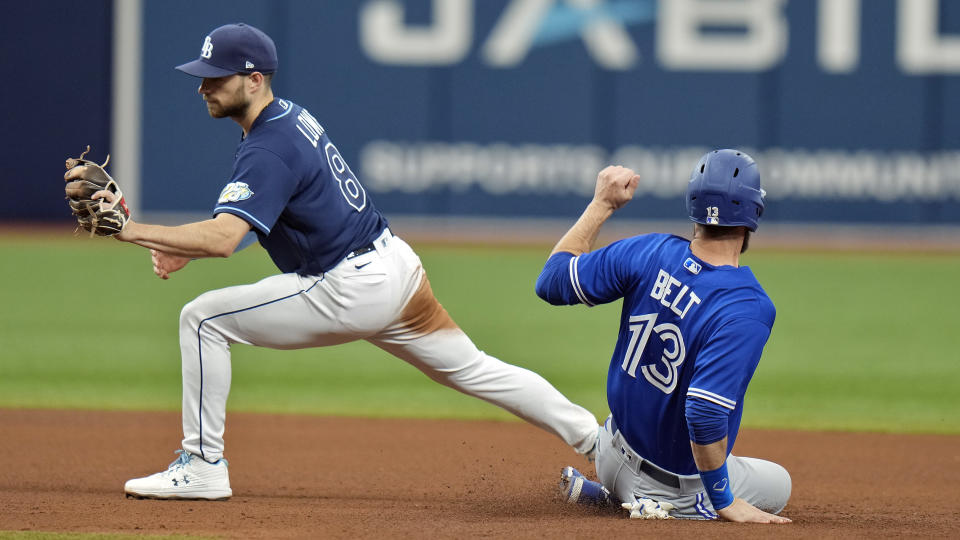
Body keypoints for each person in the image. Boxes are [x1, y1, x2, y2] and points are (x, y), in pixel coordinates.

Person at [109, 22, 599, 501]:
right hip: (394, 267)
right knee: (478, 370)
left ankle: (202, 466)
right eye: (203, 75)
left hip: (351, 285)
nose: (203, 87)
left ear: (254, 80)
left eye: (216, 76)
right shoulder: (289, 118)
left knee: (202, 320)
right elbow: (263, 219)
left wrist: (127, 229)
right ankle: (597, 441)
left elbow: (223, 236)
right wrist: (182, 248)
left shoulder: (268, 145)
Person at [535, 152, 792, 523]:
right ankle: (660, 505)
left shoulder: (648, 251)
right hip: (671, 489)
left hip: (611, 451)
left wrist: (602, 204)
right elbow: (703, 413)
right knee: (779, 485)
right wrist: (724, 500)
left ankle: (610, 493)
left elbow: (552, 281)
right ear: (754, 214)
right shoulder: (746, 305)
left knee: (718, 454)